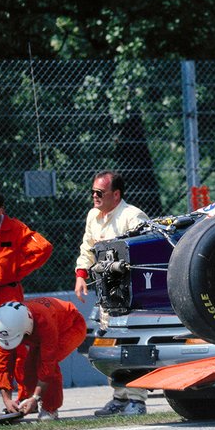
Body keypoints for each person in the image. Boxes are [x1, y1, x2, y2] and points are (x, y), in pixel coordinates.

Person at [75, 171, 150, 416]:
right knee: (110, 344)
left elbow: (143, 251)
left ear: (116, 194)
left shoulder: (132, 216)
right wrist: (80, 275)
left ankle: (137, 401)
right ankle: (119, 398)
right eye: (93, 192)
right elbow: (87, 248)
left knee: (132, 345)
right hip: (108, 295)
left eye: (100, 192)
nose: (94, 197)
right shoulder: (92, 216)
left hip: (131, 296)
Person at [0, 190, 52, 412]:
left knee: (17, 349)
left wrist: (18, 271)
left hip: (9, 295)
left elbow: (43, 248)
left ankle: (24, 399)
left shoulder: (15, 228)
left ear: (2, 209)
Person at [0, 297, 86, 421]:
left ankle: (50, 409)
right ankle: (28, 401)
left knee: (42, 364)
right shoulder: (4, 328)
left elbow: (48, 365)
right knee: (28, 369)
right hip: (42, 332)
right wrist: (7, 399)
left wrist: (35, 397)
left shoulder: (44, 322)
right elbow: (3, 365)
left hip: (70, 327)